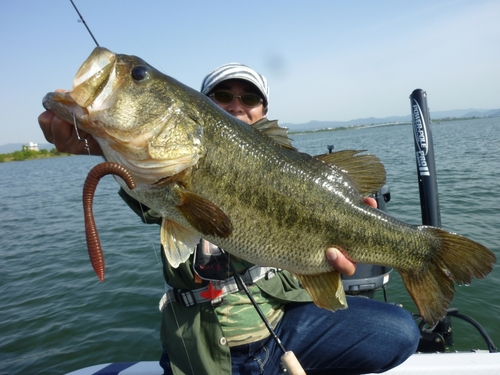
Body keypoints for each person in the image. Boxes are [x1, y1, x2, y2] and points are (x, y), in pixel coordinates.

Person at [39, 62, 420, 375]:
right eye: (222, 96)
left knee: (398, 330)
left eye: (249, 97)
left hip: (282, 332)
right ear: (201, 107)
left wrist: (326, 266)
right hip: (207, 351)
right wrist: (100, 142)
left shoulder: (295, 173)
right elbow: (150, 198)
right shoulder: (154, 169)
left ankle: (421, 254)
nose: (237, 104)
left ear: (263, 111)